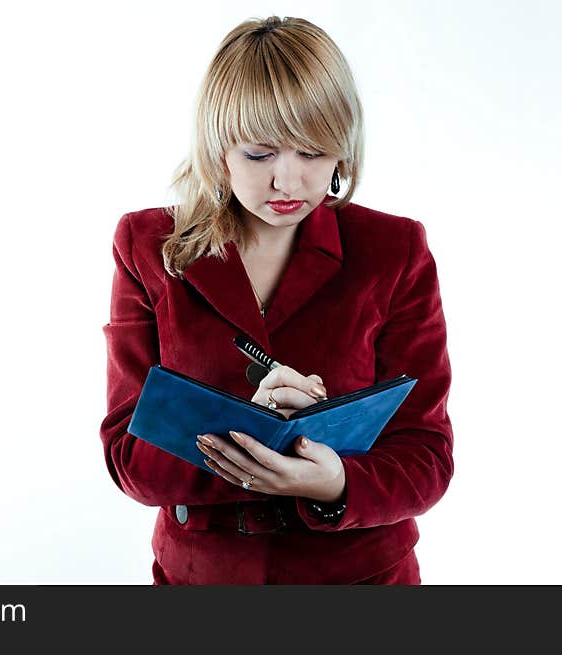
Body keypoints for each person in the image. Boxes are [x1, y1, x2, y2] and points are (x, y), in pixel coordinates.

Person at [99, 16, 453, 585]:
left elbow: (427, 456)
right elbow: (127, 458)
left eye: (312, 153)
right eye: (260, 155)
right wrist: (253, 429)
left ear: (342, 148)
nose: (287, 183)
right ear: (219, 151)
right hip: (202, 578)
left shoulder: (395, 249)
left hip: (361, 578)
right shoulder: (148, 246)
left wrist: (334, 484)